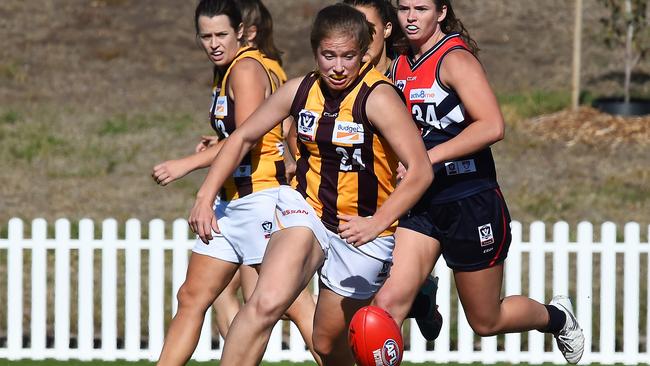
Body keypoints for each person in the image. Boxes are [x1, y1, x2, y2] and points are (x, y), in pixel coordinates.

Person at [187, 4, 433, 365]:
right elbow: (241, 138)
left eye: (348, 56)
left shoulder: (378, 98)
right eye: (328, 55)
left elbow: (421, 171)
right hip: (308, 212)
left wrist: (377, 222)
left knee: (326, 344)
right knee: (265, 302)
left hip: (363, 230)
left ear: (364, 53)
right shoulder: (300, 90)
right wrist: (204, 195)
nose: (337, 66)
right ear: (315, 50)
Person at [371, 0, 585, 364]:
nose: (409, 17)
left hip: (469, 201)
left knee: (486, 320)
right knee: (385, 306)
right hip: (422, 203)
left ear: (440, 12)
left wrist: (426, 159)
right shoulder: (400, 63)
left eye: (420, 8)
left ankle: (558, 317)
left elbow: (492, 126)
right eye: (403, 8)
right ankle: (421, 297)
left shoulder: (454, 59)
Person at [152, 1, 320, 365]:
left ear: (241, 32)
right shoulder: (230, 68)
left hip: (261, 198)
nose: (213, 43)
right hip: (231, 205)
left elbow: (243, 138)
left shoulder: (245, 68)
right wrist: (215, 144)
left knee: (294, 305)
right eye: (206, 35)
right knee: (191, 297)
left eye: (221, 35)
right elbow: (257, 131)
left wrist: (187, 164)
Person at [344, 0, 443, 342]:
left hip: (412, 205)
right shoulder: (343, 79)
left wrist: (420, 156)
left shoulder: (402, 74)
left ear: (386, 30)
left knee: (379, 311)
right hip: (364, 204)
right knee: (359, 312)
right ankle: (420, 296)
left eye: (366, 28)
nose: (355, 37)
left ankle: (417, 295)